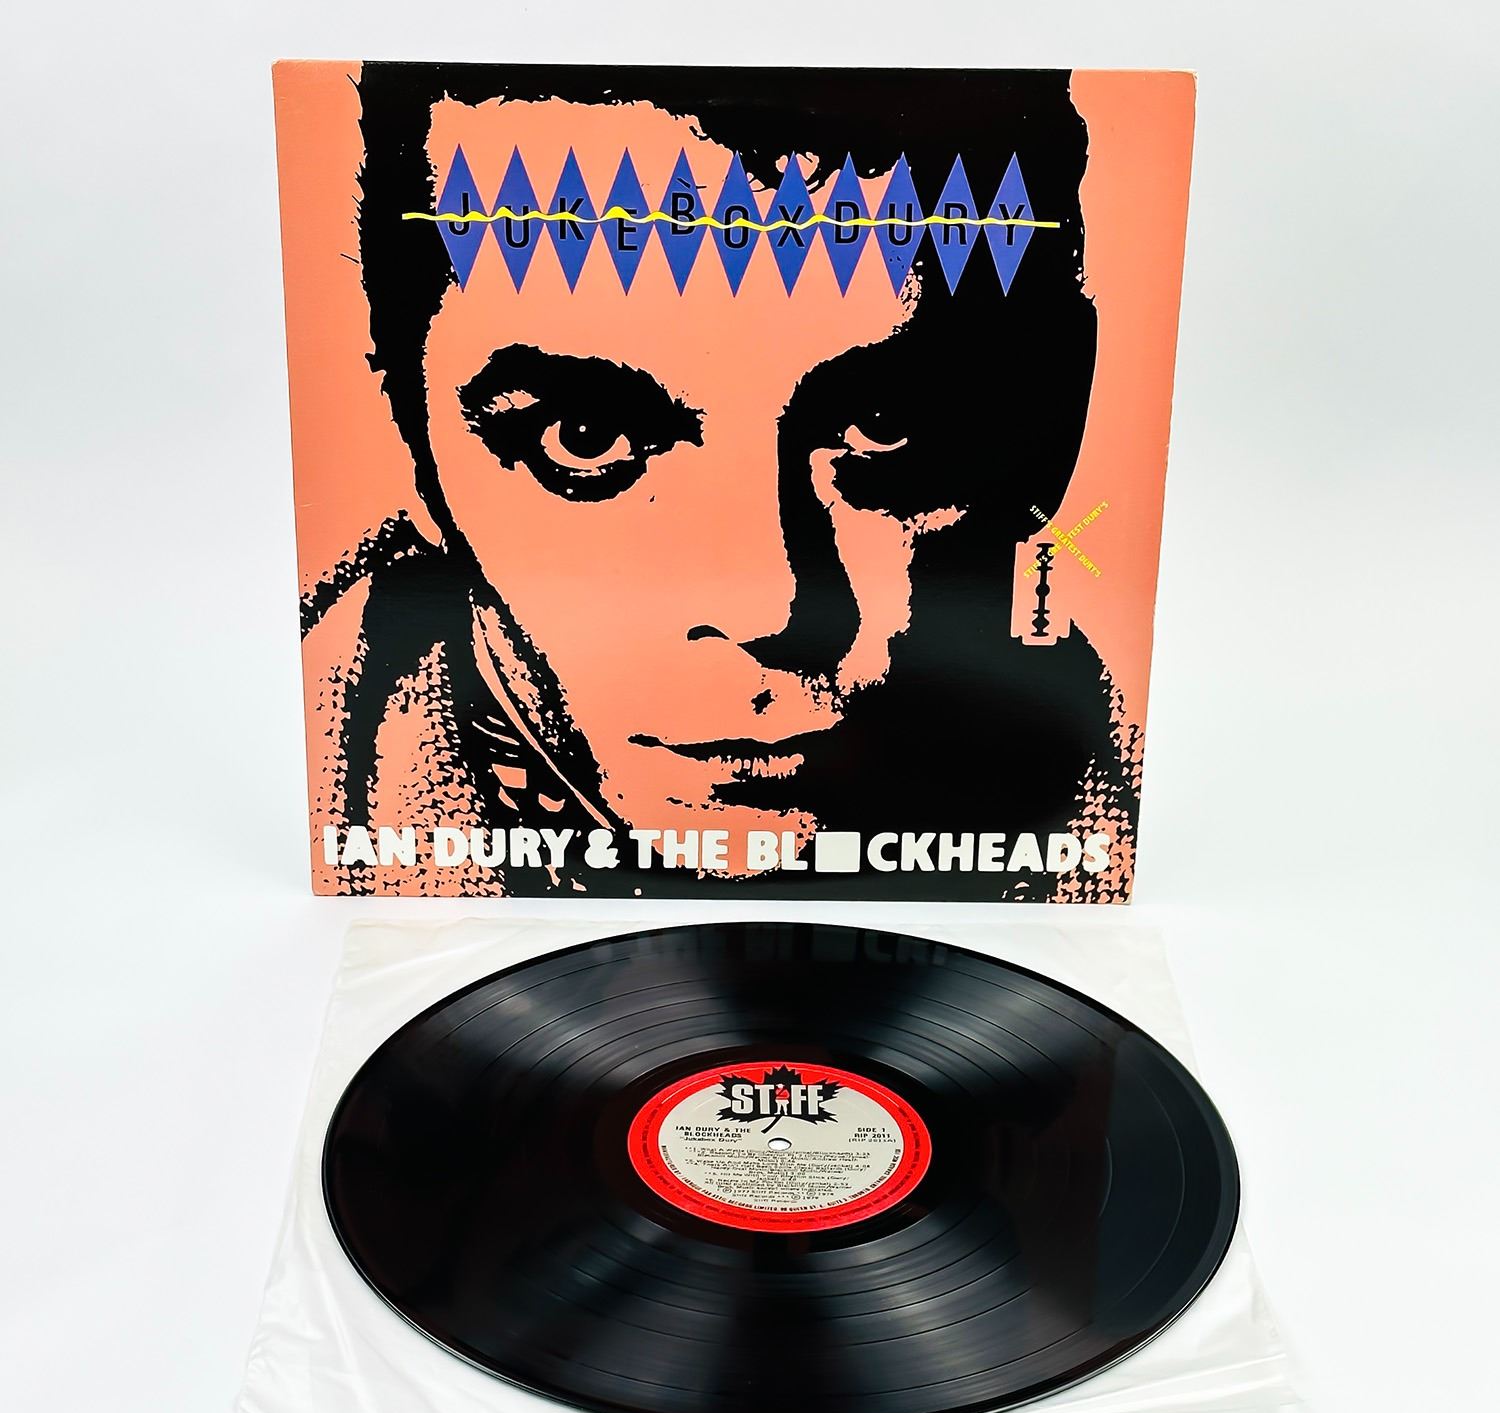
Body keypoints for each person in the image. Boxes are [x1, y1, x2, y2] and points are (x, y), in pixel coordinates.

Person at [306, 63, 1133, 897]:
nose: (767, 608)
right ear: (409, 438)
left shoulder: (1119, 807)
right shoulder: (323, 749)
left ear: (1057, 421)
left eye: (882, 429)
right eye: (585, 440)